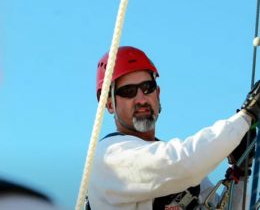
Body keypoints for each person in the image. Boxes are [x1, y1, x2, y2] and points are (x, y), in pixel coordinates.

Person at [87, 46, 259, 209]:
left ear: (158, 93)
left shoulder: (180, 174)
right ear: (109, 104)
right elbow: (184, 163)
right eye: (128, 91)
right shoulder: (109, 157)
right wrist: (246, 116)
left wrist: (241, 174)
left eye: (147, 88)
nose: (141, 98)